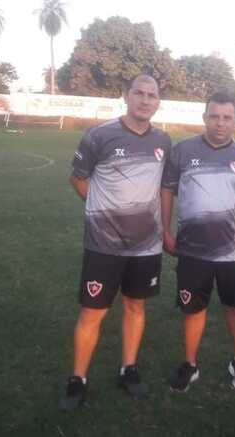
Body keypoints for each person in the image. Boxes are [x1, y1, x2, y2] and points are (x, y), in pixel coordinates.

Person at [59, 75, 171, 410]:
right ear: (126, 96)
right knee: (92, 313)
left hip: (145, 247)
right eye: (139, 93)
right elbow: (77, 178)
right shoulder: (99, 135)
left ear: (157, 102)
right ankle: (78, 378)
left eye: (152, 95)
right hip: (103, 245)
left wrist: (164, 228)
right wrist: (101, 211)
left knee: (136, 307)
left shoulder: (164, 141)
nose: (145, 100)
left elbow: (165, 188)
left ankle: (128, 368)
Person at [161, 92, 235, 391]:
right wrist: (165, 230)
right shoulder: (182, 151)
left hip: (234, 251)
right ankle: (190, 363)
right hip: (192, 250)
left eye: (227, 117)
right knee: (193, 309)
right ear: (204, 118)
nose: (220, 123)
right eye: (214, 117)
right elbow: (166, 191)